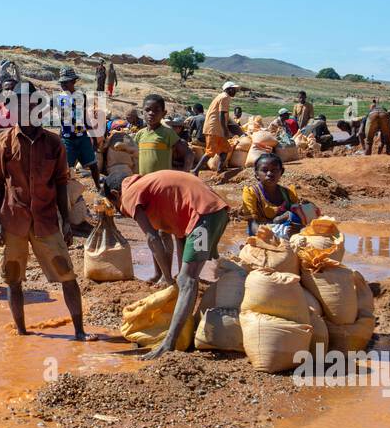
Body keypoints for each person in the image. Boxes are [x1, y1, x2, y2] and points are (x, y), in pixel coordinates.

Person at [0, 82, 92, 340]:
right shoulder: (0, 144)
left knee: (67, 274)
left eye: (30, 104)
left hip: (46, 220)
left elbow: (62, 183)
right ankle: (21, 332)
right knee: (12, 279)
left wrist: (66, 222)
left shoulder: (55, 144)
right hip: (13, 221)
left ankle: (79, 331)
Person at [101, 168, 229, 359]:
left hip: (204, 219)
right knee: (186, 278)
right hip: (212, 214)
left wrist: (169, 279)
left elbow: (152, 239)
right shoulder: (148, 186)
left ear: (115, 194)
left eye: (115, 205)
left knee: (188, 279)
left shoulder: (129, 194)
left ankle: (168, 344)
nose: (121, 210)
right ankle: (184, 322)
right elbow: (179, 238)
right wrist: (175, 280)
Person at [54, 67, 101, 189]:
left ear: (74, 81)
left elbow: (85, 119)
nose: (63, 85)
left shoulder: (82, 97)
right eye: (62, 82)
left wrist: (94, 138)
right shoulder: (57, 99)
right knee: (65, 169)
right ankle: (65, 193)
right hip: (67, 139)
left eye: (66, 82)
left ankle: (98, 187)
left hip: (82, 137)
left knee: (93, 165)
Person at [242, 153, 302, 239]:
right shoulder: (251, 193)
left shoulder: (289, 193)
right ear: (256, 175)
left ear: (281, 172)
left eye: (274, 170)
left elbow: (299, 216)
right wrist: (270, 237)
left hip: (287, 231)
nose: (270, 174)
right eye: (264, 170)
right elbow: (252, 224)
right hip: (261, 232)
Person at [135, 94, 194, 175]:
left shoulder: (168, 133)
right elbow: (134, 155)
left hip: (162, 183)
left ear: (164, 113)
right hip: (144, 181)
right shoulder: (140, 134)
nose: (151, 113)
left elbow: (189, 153)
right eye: (147, 110)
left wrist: (184, 174)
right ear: (142, 112)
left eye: (156, 110)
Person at [194, 81, 239, 173]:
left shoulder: (222, 96)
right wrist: (225, 130)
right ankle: (195, 170)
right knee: (210, 152)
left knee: (226, 149)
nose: (235, 91)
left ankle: (220, 169)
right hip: (214, 128)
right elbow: (221, 115)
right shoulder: (225, 97)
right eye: (234, 89)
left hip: (216, 129)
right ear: (228, 89)